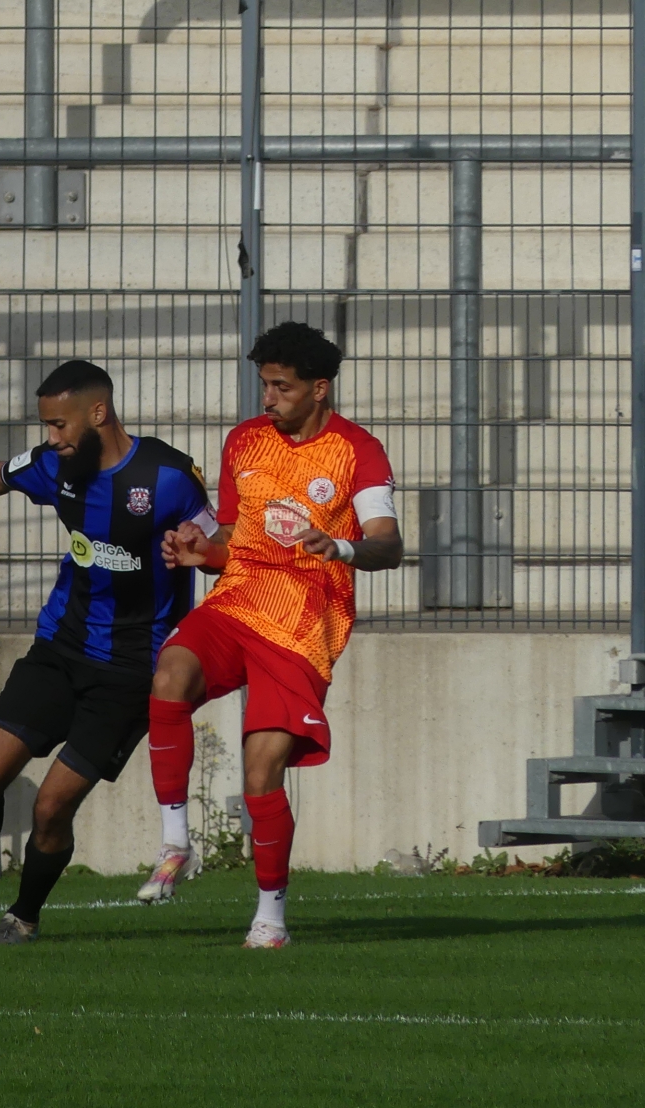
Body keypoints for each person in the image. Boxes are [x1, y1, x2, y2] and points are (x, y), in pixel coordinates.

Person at [0, 360, 216, 945]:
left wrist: (200, 551)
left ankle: (24, 916)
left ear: (98, 413)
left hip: (130, 671)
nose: (51, 438)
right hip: (59, 649)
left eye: (60, 424)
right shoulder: (57, 466)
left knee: (51, 808)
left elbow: (222, 541)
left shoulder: (168, 476)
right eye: (46, 426)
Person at [140, 321, 400, 946]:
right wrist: (201, 550)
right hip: (239, 599)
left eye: (281, 387)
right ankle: (176, 842)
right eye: (264, 385)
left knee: (261, 771)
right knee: (170, 674)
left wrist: (341, 546)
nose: (268, 399)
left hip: (305, 623)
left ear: (319, 388)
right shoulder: (244, 442)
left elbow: (388, 545)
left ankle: (270, 917)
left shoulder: (358, 451)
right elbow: (234, 536)